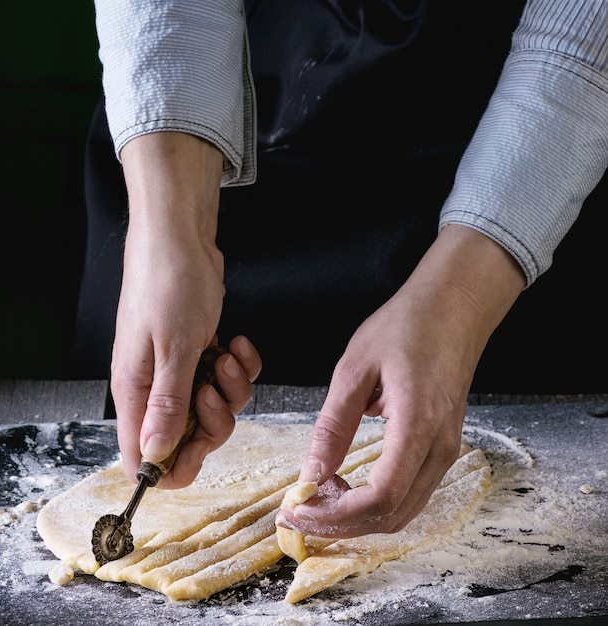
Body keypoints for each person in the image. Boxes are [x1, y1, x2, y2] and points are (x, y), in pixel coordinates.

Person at [73, 0, 608, 539]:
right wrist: (172, 232)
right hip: (200, 120)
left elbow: (582, 36)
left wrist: (463, 299)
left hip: (522, 165)